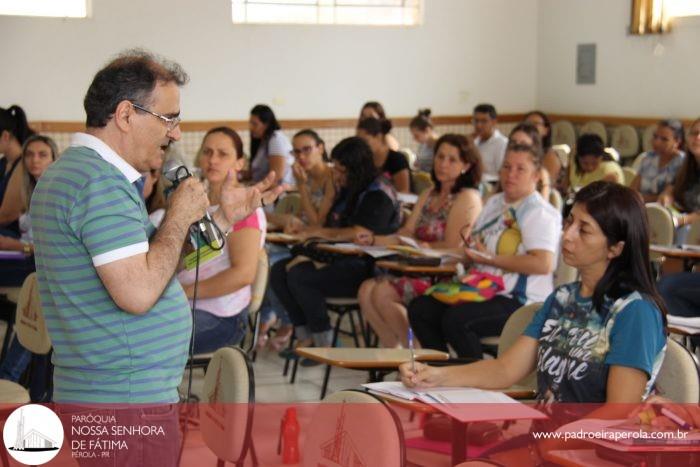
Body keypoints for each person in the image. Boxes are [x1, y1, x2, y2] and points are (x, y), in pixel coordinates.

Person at [29, 50, 282, 466]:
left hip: (113, 397)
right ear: (126, 115)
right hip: (125, 405)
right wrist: (180, 216)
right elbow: (139, 292)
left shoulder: (81, 173)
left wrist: (222, 218)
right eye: (169, 119)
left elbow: (155, 263)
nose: (177, 133)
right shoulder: (98, 183)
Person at [400, 181, 667, 461]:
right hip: (545, 443)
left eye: (584, 230)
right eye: (570, 221)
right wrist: (434, 375)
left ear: (615, 248)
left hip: (591, 453)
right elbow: (505, 370)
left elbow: (619, 411)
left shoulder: (634, 312)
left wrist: (545, 447)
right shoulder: (563, 298)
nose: (567, 235)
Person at [407, 144, 562, 358]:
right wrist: (436, 255)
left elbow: (542, 264)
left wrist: (491, 259)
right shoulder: (494, 203)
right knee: (421, 308)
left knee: (456, 320)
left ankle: (475, 380)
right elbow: (473, 247)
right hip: (481, 287)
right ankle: (441, 370)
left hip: (519, 299)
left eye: (520, 169)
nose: (511, 174)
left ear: (535, 176)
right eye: (506, 167)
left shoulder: (538, 212)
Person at [270, 137, 401, 359]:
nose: (337, 175)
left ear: (356, 169)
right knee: (279, 271)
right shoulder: (349, 187)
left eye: (341, 170)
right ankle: (306, 336)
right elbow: (330, 224)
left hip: (368, 267)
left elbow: (356, 231)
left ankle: (325, 344)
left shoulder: (378, 193)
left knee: (300, 275)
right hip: (338, 258)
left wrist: (316, 234)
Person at [357, 134, 483, 348]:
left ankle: (415, 349)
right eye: (440, 157)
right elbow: (406, 231)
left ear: (467, 165)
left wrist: (424, 246)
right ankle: (392, 350)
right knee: (365, 290)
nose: (443, 164)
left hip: (445, 274)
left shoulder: (467, 197)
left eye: (452, 160)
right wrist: (374, 239)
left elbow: (453, 245)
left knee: (381, 293)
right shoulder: (429, 193)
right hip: (416, 267)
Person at [177, 127, 266, 353]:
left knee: (149, 340)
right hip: (184, 305)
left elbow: (242, 275)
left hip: (223, 317)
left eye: (223, 154)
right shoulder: (197, 202)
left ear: (239, 163)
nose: (212, 160)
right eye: (207, 152)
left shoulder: (244, 208)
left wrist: (182, 292)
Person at [259, 129, 336, 350]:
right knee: (268, 263)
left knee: (276, 265)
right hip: (305, 244)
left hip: (326, 249)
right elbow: (304, 220)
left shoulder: (330, 178)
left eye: (307, 150)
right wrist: (292, 222)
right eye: (296, 152)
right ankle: (298, 330)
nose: (301, 156)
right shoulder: (307, 178)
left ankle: (293, 328)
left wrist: (301, 187)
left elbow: (318, 223)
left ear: (320, 148)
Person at [658, 117, 700, 232]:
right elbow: (669, 191)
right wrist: (666, 199)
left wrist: (681, 220)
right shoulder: (685, 166)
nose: (698, 137)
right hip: (683, 225)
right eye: (694, 133)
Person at [0, 105, 35, 237]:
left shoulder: (23, 165)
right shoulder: (3, 163)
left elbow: (7, 216)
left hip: (15, 236)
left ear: (5, 136)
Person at [631, 119, 685, 203]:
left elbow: (668, 197)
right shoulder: (648, 157)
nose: (656, 142)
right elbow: (633, 189)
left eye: (664, 139)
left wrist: (642, 198)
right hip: (640, 205)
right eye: (655, 136)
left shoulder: (682, 162)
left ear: (677, 141)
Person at [357, 117, 412, 193]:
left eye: (365, 141)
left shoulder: (397, 160)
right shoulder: (365, 160)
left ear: (379, 136)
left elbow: (404, 191)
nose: (361, 145)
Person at [249, 104, 295, 185]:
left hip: (280, 193)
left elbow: (276, 176)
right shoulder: (264, 141)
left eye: (255, 124)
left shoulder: (275, 139)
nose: (251, 128)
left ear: (266, 125)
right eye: (250, 123)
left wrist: (252, 187)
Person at [509, 122, 551, 200]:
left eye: (523, 144)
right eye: (513, 143)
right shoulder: (507, 169)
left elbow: (542, 207)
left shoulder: (541, 174)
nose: (517, 147)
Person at [524, 110, 563, 192]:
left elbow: (546, 187)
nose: (530, 127)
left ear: (546, 130)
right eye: (527, 124)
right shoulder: (520, 151)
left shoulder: (550, 156)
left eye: (535, 124)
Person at [472, 103, 508, 181]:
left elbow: (503, 174)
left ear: (494, 122)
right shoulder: (474, 141)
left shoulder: (502, 143)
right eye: (476, 121)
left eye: (484, 121)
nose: (479, 125)